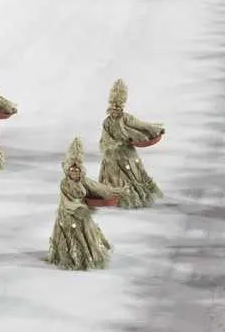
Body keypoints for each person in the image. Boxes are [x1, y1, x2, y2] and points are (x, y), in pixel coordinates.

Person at [46, 137, 123, 271]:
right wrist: (79, 208)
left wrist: (115, 192)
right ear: (67, 171)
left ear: (81, 171)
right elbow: (66, 200)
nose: (74, 172)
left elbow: (99, 188)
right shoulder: (64, 184)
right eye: (71, 170)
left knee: (87, 233)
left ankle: (90, 254)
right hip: (69, 214)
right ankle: (71, 256)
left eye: (76, 170)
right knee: (72, 236)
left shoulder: (84, 181)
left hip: (83, 213)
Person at [98, 79, 165, 209]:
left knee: (131, 171)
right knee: (113, 174)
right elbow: (105, 137)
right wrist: (111, 144)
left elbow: (140, 125)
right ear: (110, 107)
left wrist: (155, 129)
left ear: (122, 108)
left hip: (126, 151)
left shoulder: (127, 118)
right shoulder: (106, 122)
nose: (115, 110)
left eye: (118, 107)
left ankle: (130, 195)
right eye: (113, 107)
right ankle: (114, 195)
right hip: (112, 154)